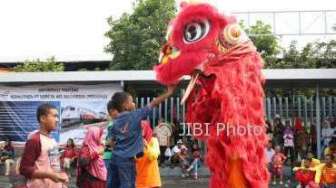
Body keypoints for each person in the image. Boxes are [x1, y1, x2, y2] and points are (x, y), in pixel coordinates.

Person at [107, 85, 176, 188]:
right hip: (127, 160)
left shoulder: (114, 122)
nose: (133, 103)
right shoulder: (136, 115)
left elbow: (111, 142)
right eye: (131, 101)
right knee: (128, 185)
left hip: (115, 158)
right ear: (125, 105)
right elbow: (154, 103)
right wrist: (168, 93)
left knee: (113, 184)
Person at [20, 103, 68, 188]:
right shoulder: (34, 140)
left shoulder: (52, 140)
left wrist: (61, 181)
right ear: (43, 118)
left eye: (57, 117)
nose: (57, 120)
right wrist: (49, 175)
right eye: (54, 116)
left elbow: (54, 165)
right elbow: (24, 169)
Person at [136, 120, 161, 188]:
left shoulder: (153, 141)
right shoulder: (135, 143)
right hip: (140, 181)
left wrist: (147, 146)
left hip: (152, 181)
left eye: (141, 129)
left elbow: (153, 156)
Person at [104, 101, 118, 188]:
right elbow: (110, 141)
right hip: (111, 156)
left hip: (110, 156)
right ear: (112, 111)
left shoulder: (113, 123)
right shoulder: (113, 124)